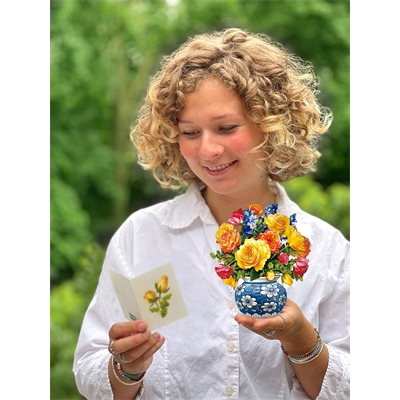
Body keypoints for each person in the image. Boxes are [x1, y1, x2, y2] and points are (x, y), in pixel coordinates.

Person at [73, 28, 350, 400]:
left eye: (226, 128)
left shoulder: (329, 251)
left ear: (271, 124)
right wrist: (125, 367)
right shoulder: (143, 237)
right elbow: (90, 370)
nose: (207, 150)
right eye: (190, 132)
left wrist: (302, 341)